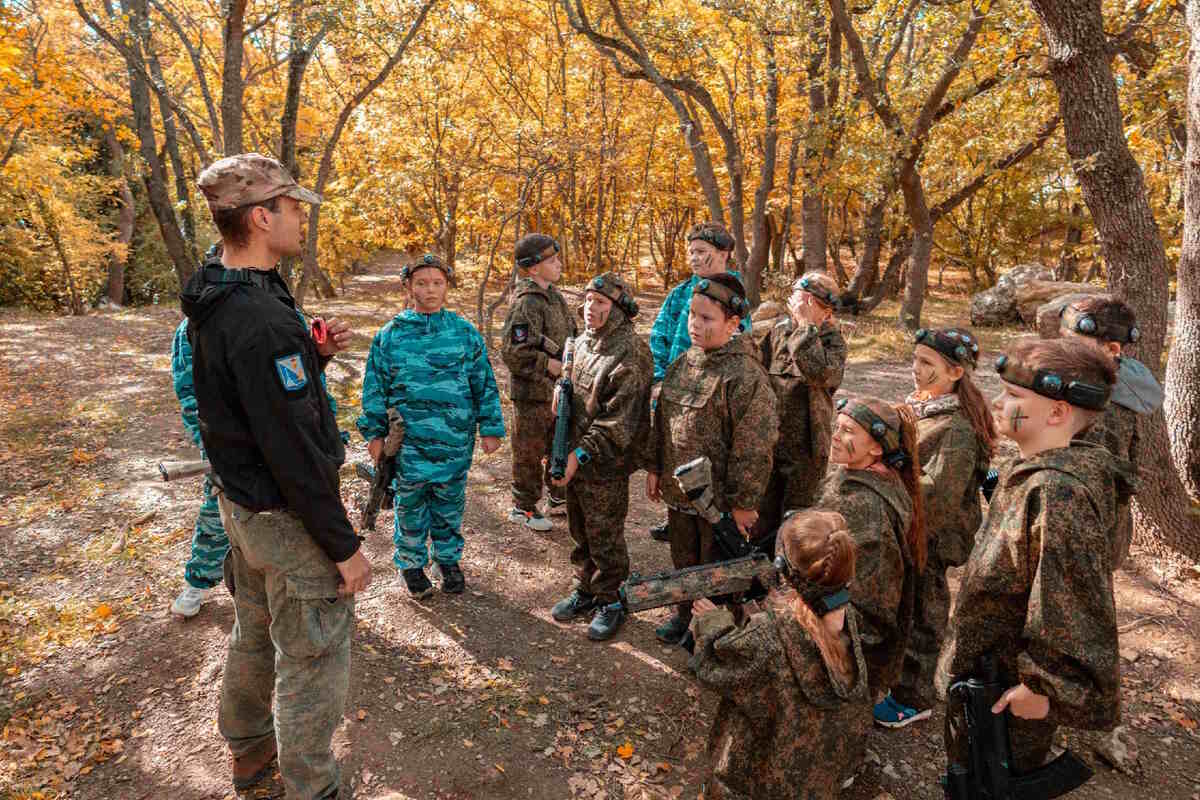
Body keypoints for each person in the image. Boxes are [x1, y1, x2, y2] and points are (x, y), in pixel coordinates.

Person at [182, 152, 370, 800]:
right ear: (261, 218)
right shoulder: (260, 320)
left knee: (256, 634)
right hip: (283, 519)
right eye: (292, 208)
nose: (300, 219)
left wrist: (312, 357)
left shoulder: (226, 286)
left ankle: (249, 749)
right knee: (313, 656)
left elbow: (255, 396)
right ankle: (312, 788)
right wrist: (343, 547)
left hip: (243, 510)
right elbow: (293, 451)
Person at [936, 337, 1131, 775]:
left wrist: (1045, 688)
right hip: (988, 678)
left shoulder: (1058, 493)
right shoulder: (1035, 471)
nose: (998, 402)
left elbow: (1070, 605)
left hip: (1007, 694)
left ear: (1057, 413)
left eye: (1013, 395)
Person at [169, 247, 343, 618]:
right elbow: (193, 394)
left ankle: (285, 595)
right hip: (237, 453)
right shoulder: (196, 326)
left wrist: (320, 355)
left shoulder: (277, 310)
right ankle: (199, 581)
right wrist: (212, 448)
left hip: (286, 443)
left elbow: (291, 382)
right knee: (219, 513)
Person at [688, 509, 869, 800]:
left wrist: (711, 622)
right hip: (819, 778)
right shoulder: (848, 618)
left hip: (757, 780)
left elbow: (714, 667)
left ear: (783, 568)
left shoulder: (769, 636)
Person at [358, 253, 506, 598]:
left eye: (437, 283)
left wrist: (491, 426)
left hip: (454, 440)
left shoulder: (463, 333)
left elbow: (483, 381)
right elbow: (375, 387)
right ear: (409, 287)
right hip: (409, 443)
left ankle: (447, 560)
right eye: (422, 283)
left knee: (449, 503)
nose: (430, 290)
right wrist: (374, 434)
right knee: (410, 504)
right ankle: (411, 565)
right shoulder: (391, 335)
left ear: (447, 287)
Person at [643, 273, 778, 645]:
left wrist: (744, 503)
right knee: (684, 560)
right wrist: (654, 466)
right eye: (692, 315)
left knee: (717, 570)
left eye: (706, 318)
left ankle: (717, 633)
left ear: (733, 324)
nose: (695, 324)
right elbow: (663, 420)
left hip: (720, 504)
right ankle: (685, 616)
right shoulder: (683, 364)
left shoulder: (745, 375)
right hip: (680, 495)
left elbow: (754, 447)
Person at [883, 327, 995, 726]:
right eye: (915, 359)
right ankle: (895, 677)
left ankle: (913, 697)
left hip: (931, 537)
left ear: (956, 373)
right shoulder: (924, 406)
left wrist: (886, 480)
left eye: (927, 363)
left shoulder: (957, 428)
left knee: (923, 613)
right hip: (908, 526)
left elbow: (939, 495)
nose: (915, 368)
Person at [547, 272, 653, 640]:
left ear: (619, 309)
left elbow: (618, 423)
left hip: (605, 463)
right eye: (589, 300)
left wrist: (579, 455)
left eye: (601, 302)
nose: (591, 308)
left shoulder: (631, 352)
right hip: (574, 455)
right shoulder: (581, 343)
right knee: (579, 529)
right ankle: (586, 588)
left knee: (604, 534)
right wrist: (559, 394)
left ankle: (611, 599)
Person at [815, 396, 925, 726]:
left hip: (843, 648)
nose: (836, 436)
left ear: (877, 448)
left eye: (848, 431)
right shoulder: (852, 476)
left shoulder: (867, 508)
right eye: (837, 427)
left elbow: (872, 608)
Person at [646, 222, 749, 542]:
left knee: (709, 455)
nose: (693, 257)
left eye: (701, 251)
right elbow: (658, 337)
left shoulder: (733, 295)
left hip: (712, 392)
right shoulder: (679, 293)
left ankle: (712, 523)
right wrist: (658, 380)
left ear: (724, 253)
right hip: (675, 389)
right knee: (675, 447)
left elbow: (740, 342)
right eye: (690, 251)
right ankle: (676, 515)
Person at [1058, 295, 1163, 567]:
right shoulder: (1094, 390)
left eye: (1072, 343)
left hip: (1081, 545)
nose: (1062, 349)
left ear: (1112, 349)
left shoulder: (1105, 408)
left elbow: (1093, 486)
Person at [754, 272, 847, 539]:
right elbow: (756, 375)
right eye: (796, 298)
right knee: (762, 519)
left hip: (806, 449)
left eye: (807, 302)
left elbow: (819, 372)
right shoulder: (777, 332)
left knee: (796, 522)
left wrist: (805, 327)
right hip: (770, 440)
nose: (797, 306)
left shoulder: (833, 342)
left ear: (826, 312)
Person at [500, 234, 578, 531]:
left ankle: (557, 497)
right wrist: (549, 365)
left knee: (558, 443)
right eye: (552, 260)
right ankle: (524, 506)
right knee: (529, 452)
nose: (559, 264)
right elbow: (514, 352)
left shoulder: (554, 296)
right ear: (533, 268)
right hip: (532, 394)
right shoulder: (526, 303)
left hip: (556, 391)